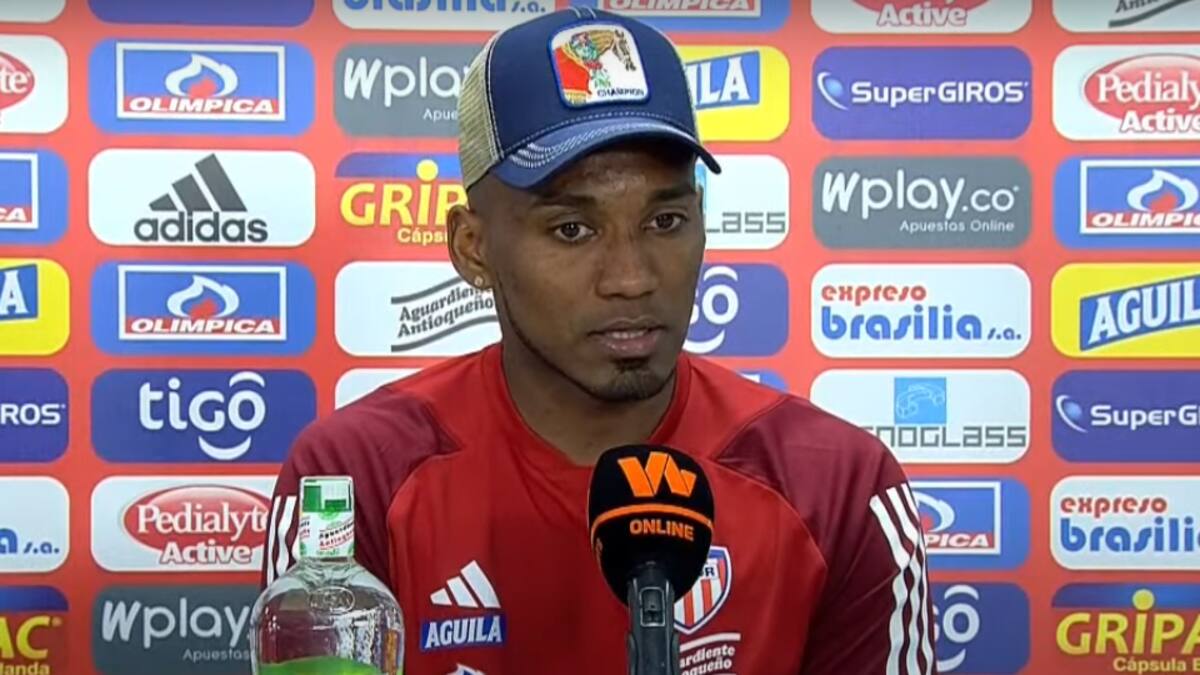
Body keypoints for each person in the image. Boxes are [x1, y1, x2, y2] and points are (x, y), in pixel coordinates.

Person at [263, 7, 937, 675]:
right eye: (572, 230)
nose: (631, 278)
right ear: (472, 248)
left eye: (665, 220)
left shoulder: (839, 488)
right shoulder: (354, 478)